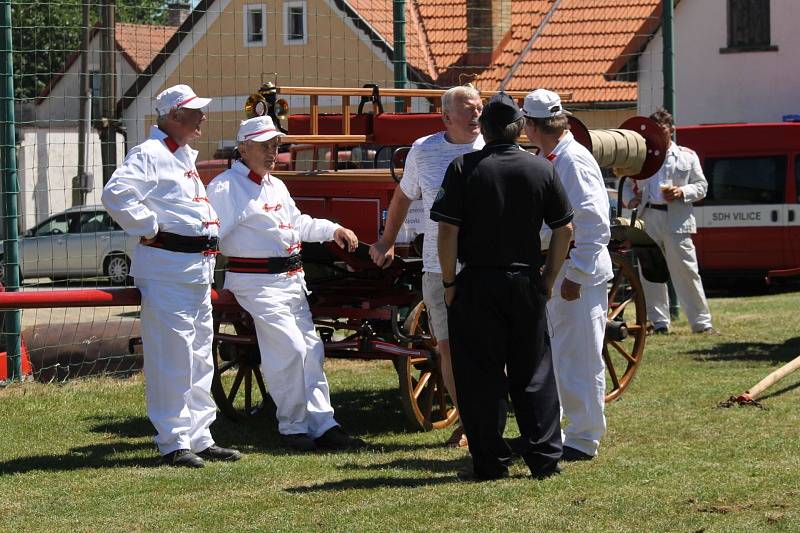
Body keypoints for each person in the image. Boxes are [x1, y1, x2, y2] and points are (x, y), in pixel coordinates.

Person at [432, 92, 574, 481]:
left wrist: (448, 282)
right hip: (525, 281)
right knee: (535, 372)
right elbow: (564, 229)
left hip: (477, 281)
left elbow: (447, 231)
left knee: (480, 375)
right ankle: (544, 458)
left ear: (488, 130)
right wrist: (547, 277)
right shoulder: (541, 169)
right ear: (518, 130)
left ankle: (491, 462)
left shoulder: (463, 167)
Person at [206, 116, 365, 452]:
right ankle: (293, 427)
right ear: (244, 147)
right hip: (256, 284)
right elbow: (211, 236)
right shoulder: (225, 188)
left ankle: (324, 424)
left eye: (276, 145)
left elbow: (298, 223)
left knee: (311, 351)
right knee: (291, 349)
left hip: (291, 281)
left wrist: (330, 229)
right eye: (265, 145)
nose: (273, 152)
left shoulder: (275, 185)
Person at [102, 84, 241, 468]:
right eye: (195, 111)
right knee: (172, 357)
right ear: (175, 116)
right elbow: (116, 194)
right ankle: (173, 441)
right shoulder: (150, 154)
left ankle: (199, 435)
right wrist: (148, 227)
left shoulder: (179, 156)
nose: (203, 117)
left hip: (193, 272)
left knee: (199, 356)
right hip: (167, 271)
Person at [369, 85, 484, 448]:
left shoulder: (493, 147)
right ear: (447, 116)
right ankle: (469, 422)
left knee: (487, 348)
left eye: (480, 107)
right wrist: (386, 241)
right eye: (469, 109)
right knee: (448, 347)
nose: (477, 115)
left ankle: (493, 414)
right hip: (438, 267)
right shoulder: (424, 150)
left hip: (487, 266)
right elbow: (403, 196)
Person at [521, 88, 612, 462]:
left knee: (579, 358)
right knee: (562, 356)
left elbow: (593, 223)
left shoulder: (572, 161)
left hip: (575, 274)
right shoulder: (555, 157)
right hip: (563, 270)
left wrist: (577, 273)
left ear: (530, 125)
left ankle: (584, 438)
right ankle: (566, 433)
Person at [622, 107, 715, 335]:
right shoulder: (641, 156)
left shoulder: (687, 155)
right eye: (654, 129)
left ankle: (701, 324)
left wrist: (682, 192)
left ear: (671, 130)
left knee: (686, 271)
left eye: (661, 129)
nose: (657, 133)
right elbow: (624, 182)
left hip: (677, 218)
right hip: (648, 217)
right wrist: (630, 200)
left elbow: (702, 186)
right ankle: (659, 322)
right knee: (651, 272)